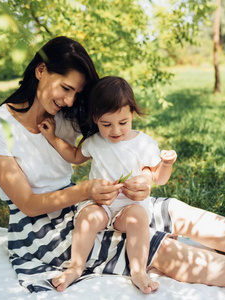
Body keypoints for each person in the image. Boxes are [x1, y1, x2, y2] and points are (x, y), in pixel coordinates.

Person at [0, 36, 225, 294]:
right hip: (44, 232)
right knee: (161, 249)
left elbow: (114, 136)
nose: (70, 100)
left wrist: (146, 180)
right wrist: (86, 190)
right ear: (41, 71)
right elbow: (27, 204)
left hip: (88, 205)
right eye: (65, 88)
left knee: (177, 212)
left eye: (76, 92)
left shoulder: (67, 116)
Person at [38, 76, 177, 293]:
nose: (115, 131)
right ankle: (76, 267)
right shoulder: (95, 141)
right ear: (95, 119)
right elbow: (75, 156)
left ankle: (138, 271)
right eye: (106, 124)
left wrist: (167, 164)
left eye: (123, 123)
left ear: (132, 114)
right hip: (100, 205)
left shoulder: (143, 143)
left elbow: (158, 177)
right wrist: (52, 137)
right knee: (87, 218)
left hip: (129, 207)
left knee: (138, 218)